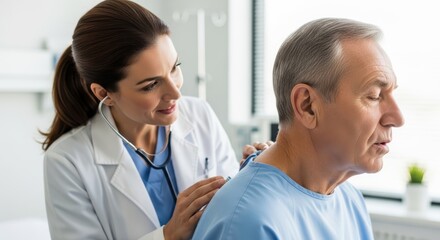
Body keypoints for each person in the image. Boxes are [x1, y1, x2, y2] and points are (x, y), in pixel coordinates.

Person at [40, 1, 267, 239]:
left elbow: (233, 216)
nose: (176, 93)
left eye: (174, 68)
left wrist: (255, 175)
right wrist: (168, 235)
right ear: (104, 94)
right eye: (151, 85)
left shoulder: (200, 115)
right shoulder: (67, 161)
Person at [192, 18, 405, 239]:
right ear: (308, 106)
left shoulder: (349, 200)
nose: (397, 118)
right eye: (374, 96)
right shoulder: (249, 222)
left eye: (392, 93)